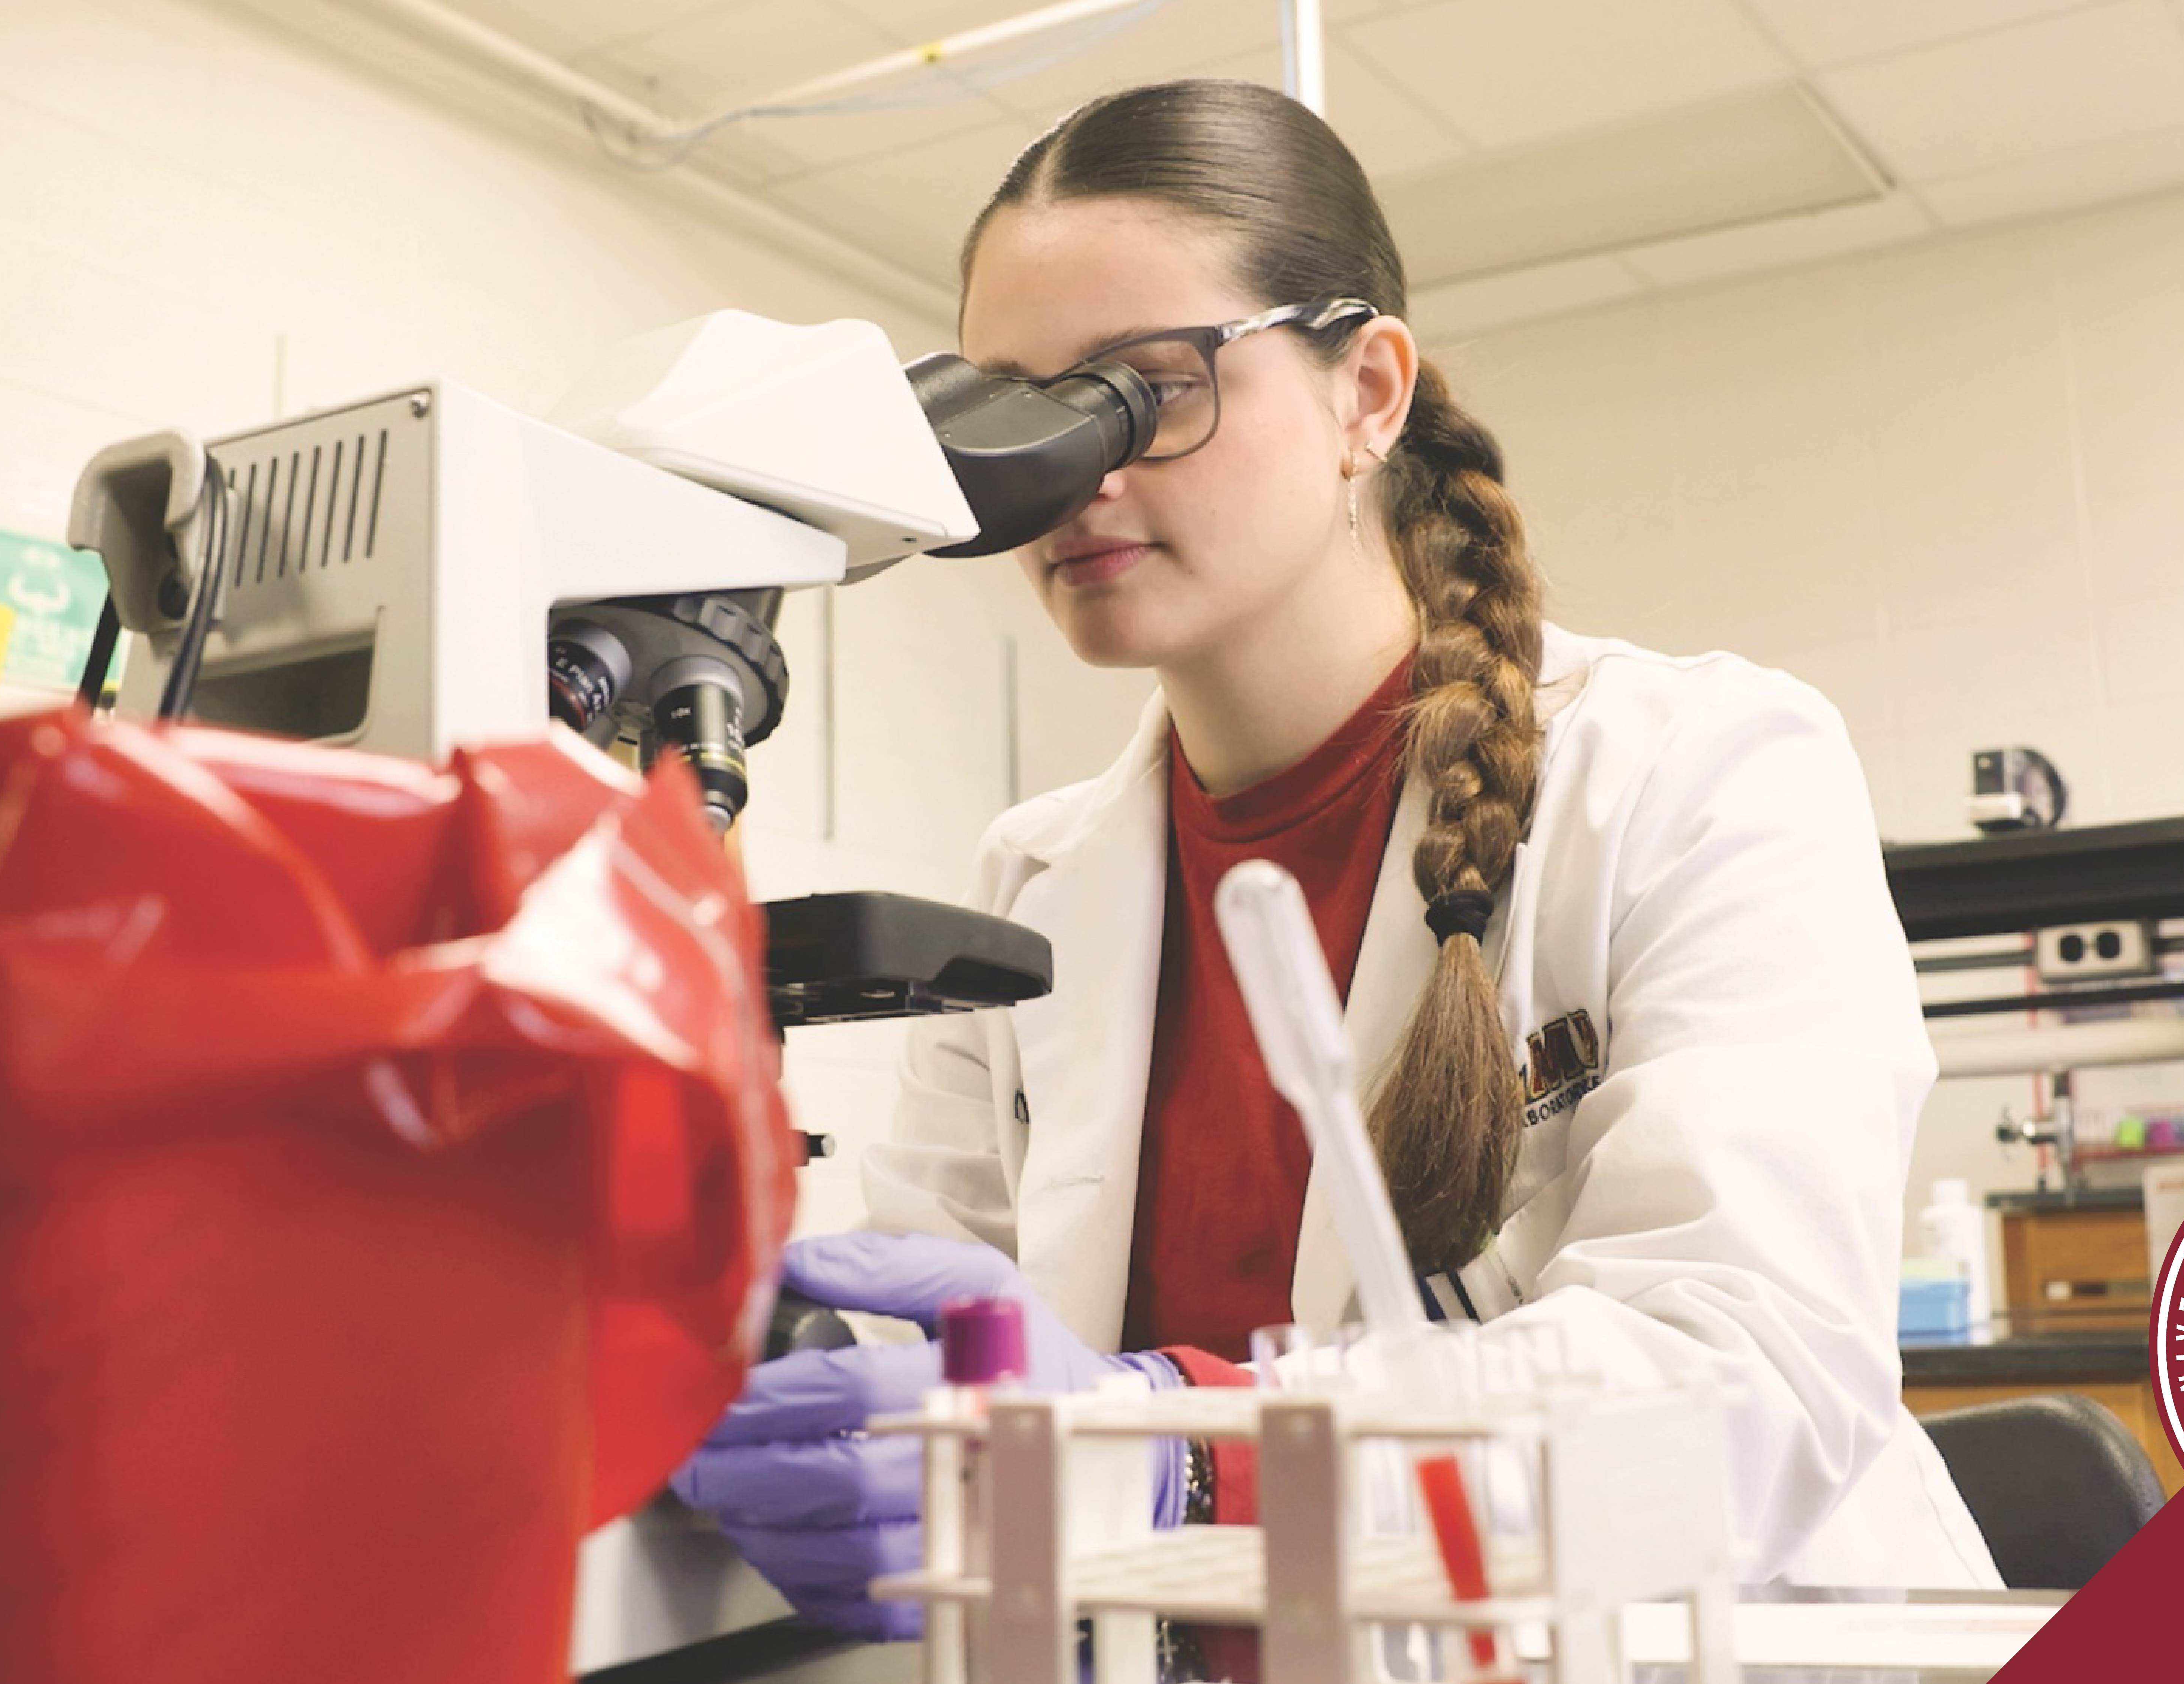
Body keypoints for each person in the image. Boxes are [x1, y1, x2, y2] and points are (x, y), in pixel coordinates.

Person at [669, 77, 2000, 1647]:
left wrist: (1183, 1463)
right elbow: (945, 1370)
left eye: (1145, 392)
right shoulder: (1032, 885)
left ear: (1367, 392)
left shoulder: (1701, 773)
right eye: (1010, 410)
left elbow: (1737, 1396)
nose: (1069, 476)